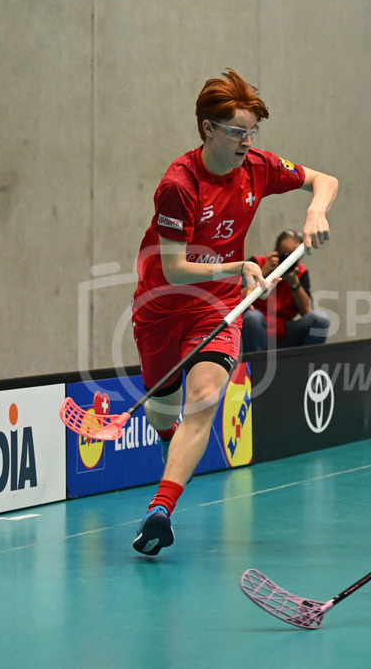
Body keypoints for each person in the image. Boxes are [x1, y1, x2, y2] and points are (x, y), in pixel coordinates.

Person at [130, 69, 339, 556]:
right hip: (161, 308)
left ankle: (160, 511)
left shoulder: (259, 168)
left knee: (202, 400)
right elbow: (175, 268)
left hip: (219, 308)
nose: (248, 141)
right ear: (208, 129)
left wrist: (316, 209)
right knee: (164, 411)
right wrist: (237, 265)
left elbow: (324, 180)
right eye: (237, 132)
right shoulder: (179, 185)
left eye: (253, 132)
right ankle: (170, 445)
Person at [241, 229, 331, 352]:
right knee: (253, 317)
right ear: (276, 252)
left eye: (295, 257)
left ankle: (305, 368)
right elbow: (236, 301)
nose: (290, 262)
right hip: (253, 332)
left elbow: (307, 312)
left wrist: (294, 282)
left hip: (283, 333)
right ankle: (256, 368)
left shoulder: (300, 273)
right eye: (286, 255)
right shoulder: (256, 264)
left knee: (320, 319)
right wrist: (263, 273)